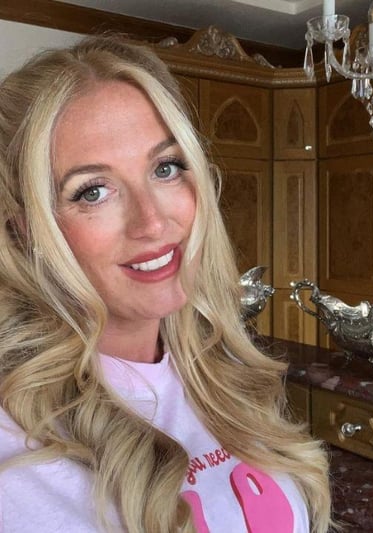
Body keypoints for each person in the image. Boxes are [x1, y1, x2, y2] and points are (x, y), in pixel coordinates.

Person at [0, 35, 332, 532]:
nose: (152, 222)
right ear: (25, 230)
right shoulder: (16, 458)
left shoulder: (222, 373)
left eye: (166, 167)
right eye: (92, 191)